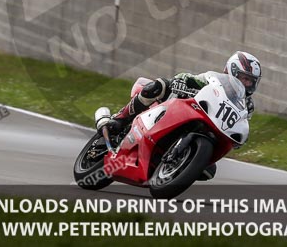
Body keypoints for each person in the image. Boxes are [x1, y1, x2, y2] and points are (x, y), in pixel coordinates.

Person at [103, 51, 262, 180]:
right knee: (159, 85)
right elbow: (188, 78)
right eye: (245, 78)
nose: (247, 84)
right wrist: (179, 82)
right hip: (178, 108)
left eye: (251, 81)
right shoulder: (213, 80)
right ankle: (119, 119)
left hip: (208, 127)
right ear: (231, 71)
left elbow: (240, 123)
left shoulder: (247, 105)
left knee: (208, 170)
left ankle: (178, 164)